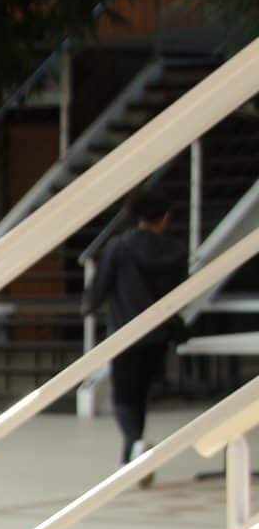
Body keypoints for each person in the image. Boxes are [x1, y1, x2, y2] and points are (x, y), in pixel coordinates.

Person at [90, 189, 188, 471]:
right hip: (158, 333)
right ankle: (130, 456)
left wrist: (90, 305)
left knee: (123, 395)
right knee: (141, 393)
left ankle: (135, 443)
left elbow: (100, 287)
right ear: (164, 216)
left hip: (125, 331)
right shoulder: (176, 251)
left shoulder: (119, 247)